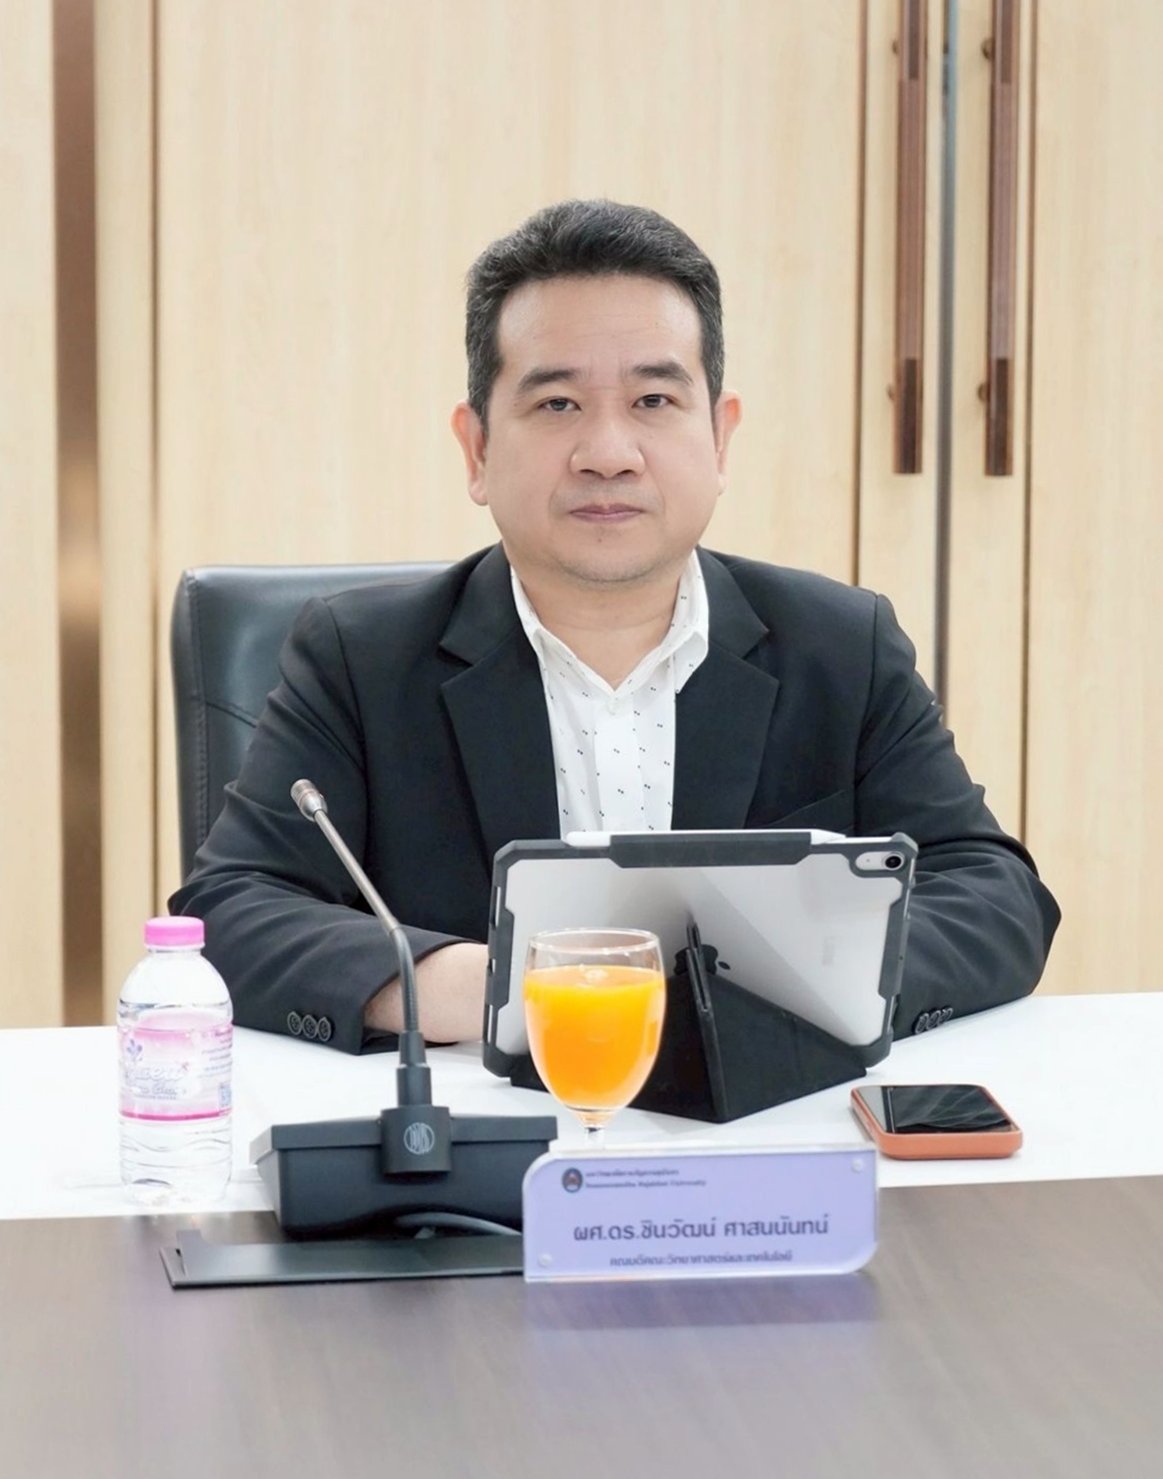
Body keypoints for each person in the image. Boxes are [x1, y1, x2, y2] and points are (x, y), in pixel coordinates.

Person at [170, 199, 1059, 1053]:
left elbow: (994, 897)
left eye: (653, 401)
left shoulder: (838, 646)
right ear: (477, 449)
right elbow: (231, 910)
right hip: (482, 1128)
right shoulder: (361, 659)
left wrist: (783, 985)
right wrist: (488, 987)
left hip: (772, 1117)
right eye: (557, 404)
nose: (607, 453)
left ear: (720, 438)